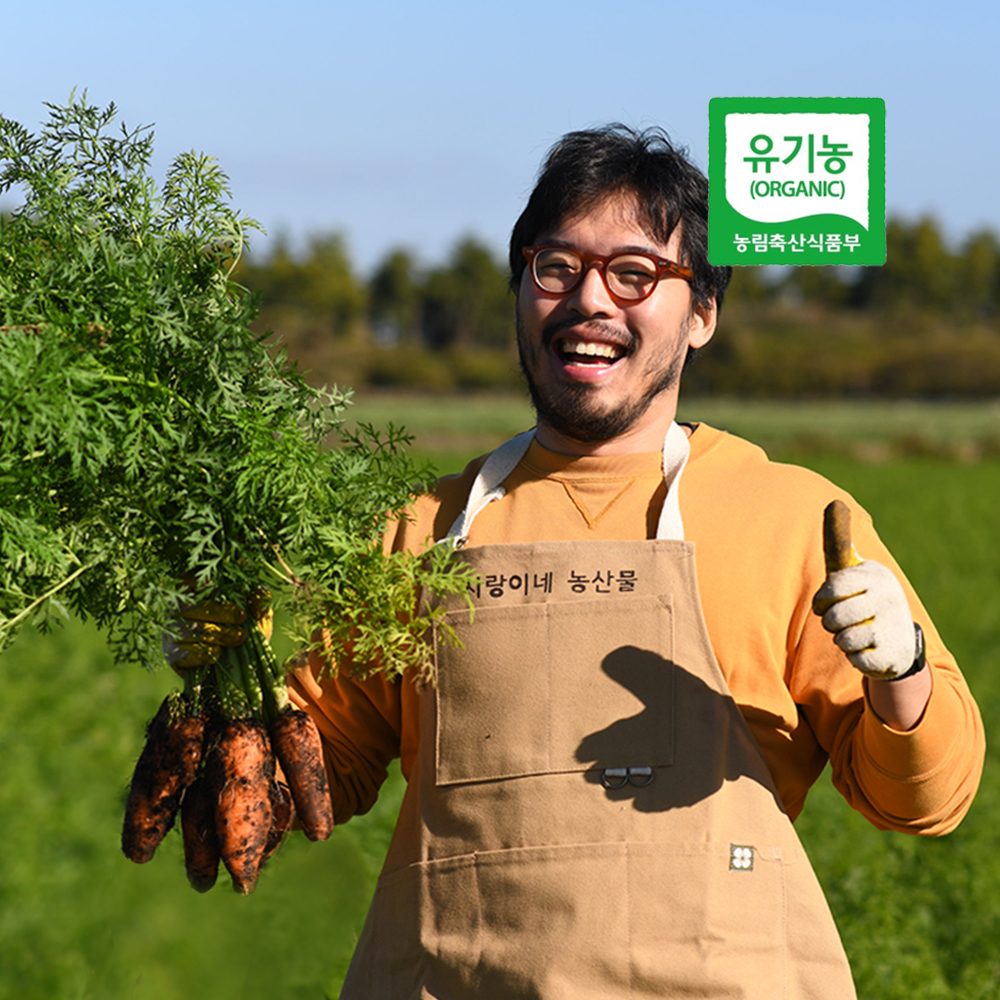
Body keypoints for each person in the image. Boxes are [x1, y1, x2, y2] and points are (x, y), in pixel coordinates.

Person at [199, 125, 986, 998]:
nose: (590, 300)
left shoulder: (793, 518)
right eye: (556, 267)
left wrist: (902, 671)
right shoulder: (421, 529)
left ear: (703, 315)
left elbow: (924, 802)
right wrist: (226, 690)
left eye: (635, 274)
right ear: (520, 293)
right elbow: (311, 777)